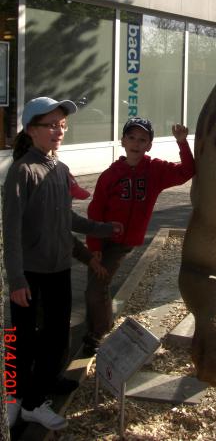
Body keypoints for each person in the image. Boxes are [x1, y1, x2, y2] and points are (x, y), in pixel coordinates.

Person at [3, 97, 121, 431]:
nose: (59, 130)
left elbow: (64, 219)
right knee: (20, 337)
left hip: (59, 270)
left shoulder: (59, 168)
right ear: (31, 130)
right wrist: (16, 280)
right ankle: (16, 397)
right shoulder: (22, 171)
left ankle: (34, 397)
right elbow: (10, 232)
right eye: (51, 125)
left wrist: (100, 229)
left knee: (55, 339)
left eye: (62, 125)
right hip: (29, 273)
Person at [83, 117, 195, 356]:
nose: (136, 142)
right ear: (123, 141)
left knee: (97, 286)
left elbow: (187, 171)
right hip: (104, 240)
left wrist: (182, 143)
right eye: (131, 137)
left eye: (142, 139)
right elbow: (95, 211)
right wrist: (94, 246)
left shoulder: (155, 170)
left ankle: (96, 331)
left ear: (149, 145)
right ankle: (97, 332)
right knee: (96, 287)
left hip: (124, 243)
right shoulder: (110, 175)